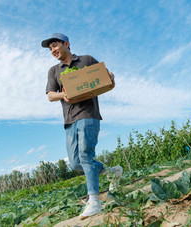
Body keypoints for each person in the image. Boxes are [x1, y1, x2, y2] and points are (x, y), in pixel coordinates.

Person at [42, 33, 123, 220]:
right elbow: (50, 95)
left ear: (66, 44)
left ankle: (94, 200)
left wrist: (111, 76)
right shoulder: (54, 71)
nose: (53, 50)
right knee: (75, 163)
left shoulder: (86, 60)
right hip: (69, 119)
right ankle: (112, 172)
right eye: (50, 49)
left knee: (86, 155)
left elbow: (107, 77)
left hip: (88, 114)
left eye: (55, 45)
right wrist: (63, 95)